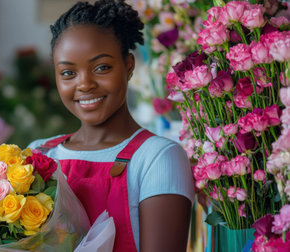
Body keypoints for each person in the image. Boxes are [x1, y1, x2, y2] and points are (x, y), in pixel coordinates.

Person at [28, 0, 195, 251]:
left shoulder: (158, 158)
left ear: (128, 66)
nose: (84, 84)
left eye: (101, 67)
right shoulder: (39, 154)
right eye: (67, 73)